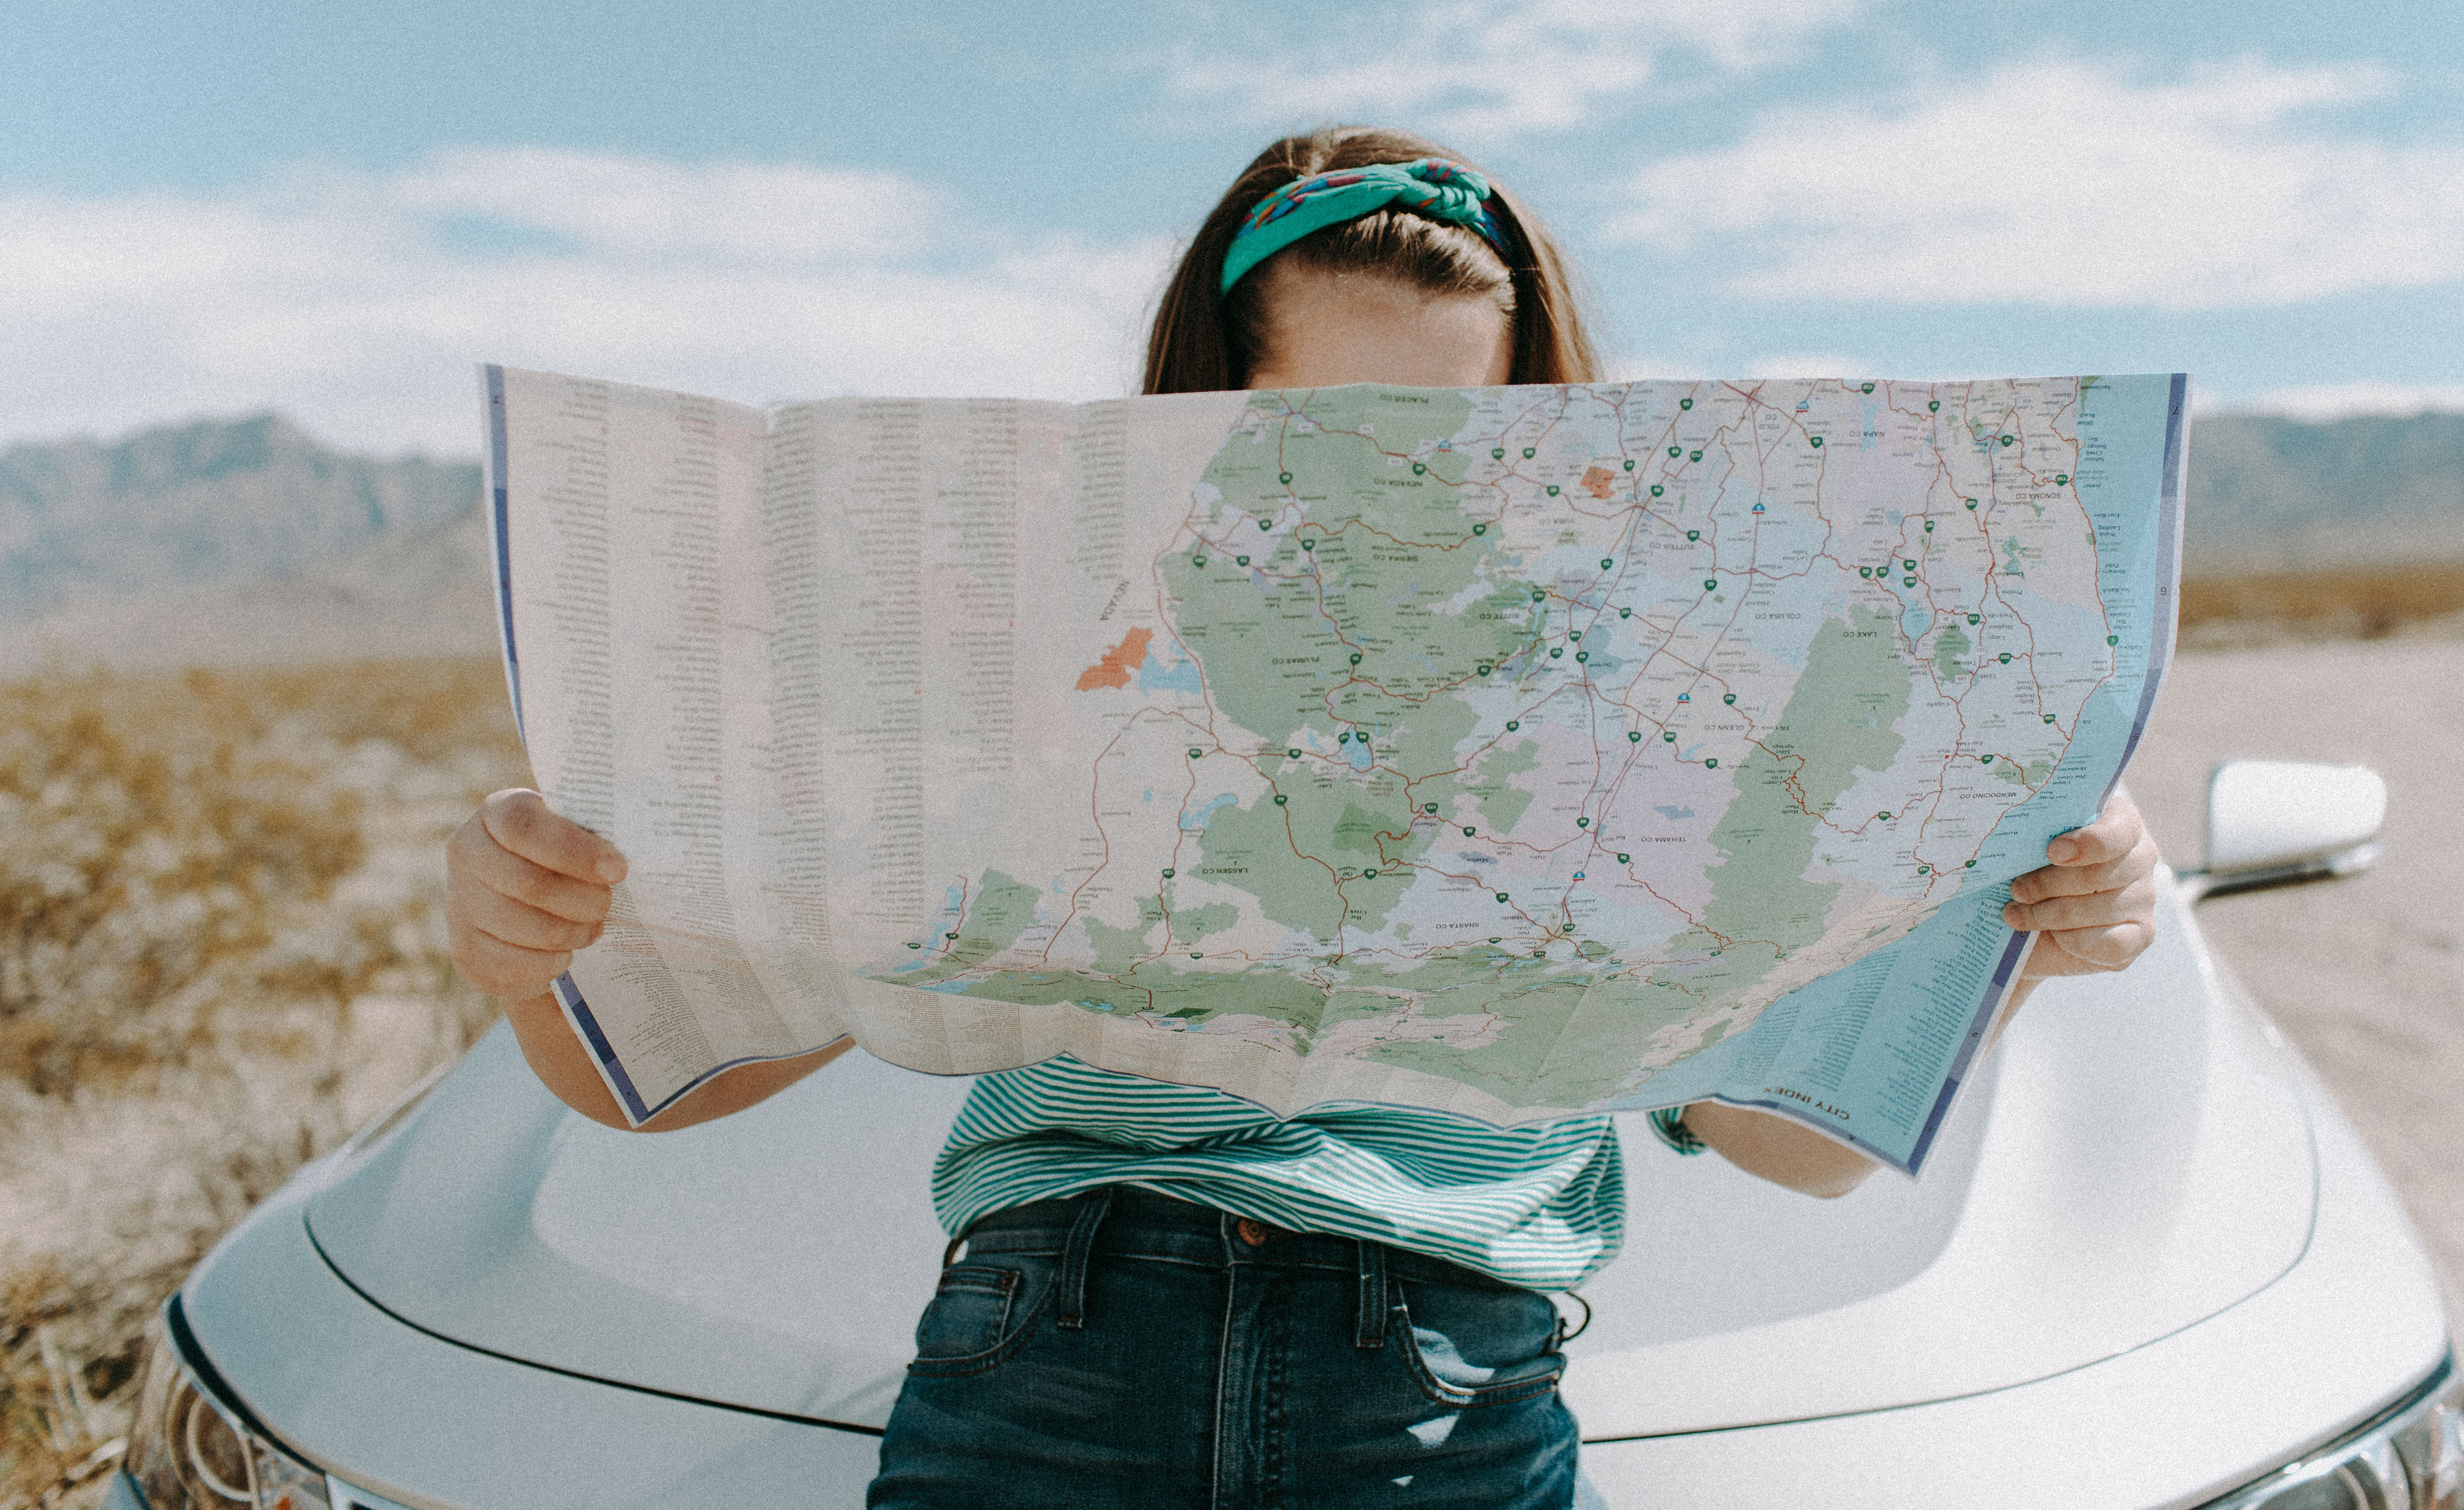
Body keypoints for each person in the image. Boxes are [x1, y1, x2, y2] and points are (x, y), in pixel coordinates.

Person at [443, 126, 2161, 1509]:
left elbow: (1797, 1148)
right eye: (1322, 431)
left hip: (1444, 1391)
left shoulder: (1658, 694)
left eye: (1450, 438)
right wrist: (537, 950)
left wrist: (2008, 936)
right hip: (1049, 1348)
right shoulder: (1037, 649)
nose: (1383, 488)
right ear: (1204, 414)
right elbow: (657, 1084)